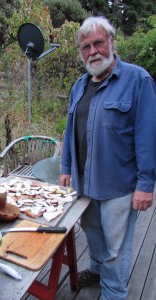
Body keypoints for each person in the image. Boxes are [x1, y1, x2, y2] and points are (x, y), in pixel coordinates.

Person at [60, 16, 156, 300]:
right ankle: (98, 269)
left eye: (98, 43)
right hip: (84, 183)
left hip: (119, 186)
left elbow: (148, 136)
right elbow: (69, 130)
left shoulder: (138, 80)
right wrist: (66, 166)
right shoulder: (79, 85)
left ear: (112, 42)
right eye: (85, 47)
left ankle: (114, 292)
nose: (93, 52)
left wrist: (146, 184)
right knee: (92, 232)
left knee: (116, 247)